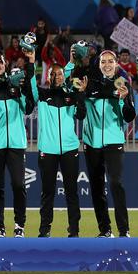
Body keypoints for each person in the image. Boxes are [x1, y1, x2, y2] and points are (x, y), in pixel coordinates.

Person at [68, 49, 136, 237]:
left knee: (115, 183)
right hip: (92, 143)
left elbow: (130, 117)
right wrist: (81, 95)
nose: (107, 65)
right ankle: (105, 230)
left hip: (114, 141)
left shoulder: (122, 84)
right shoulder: (90, 83)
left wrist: (124, 101)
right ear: (99, 65)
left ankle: (124, 231)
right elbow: (79, 115)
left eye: (110, 62)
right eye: (103, 62)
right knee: (97, 188)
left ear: (116, 65)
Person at [0, 47, 35, 238]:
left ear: (5, 64)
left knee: (19, 185)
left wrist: (19, 90)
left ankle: (19, 225)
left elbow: (29, 108)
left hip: (16, 143)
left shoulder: (16, 83)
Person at [34, 63, 85, 237]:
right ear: (48, 77)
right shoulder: (42, 95)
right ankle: (44, 229)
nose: (57, 76)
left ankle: (74, 230)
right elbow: (30, 83)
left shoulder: (71, 95)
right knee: (47, 192)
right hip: (47, 150)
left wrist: (80, 94)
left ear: (64, 76)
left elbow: (81, 115)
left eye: (60, 74)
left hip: (69, 149)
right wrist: (31, 59)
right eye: (53, 74)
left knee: (71, 191)